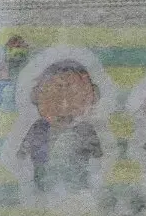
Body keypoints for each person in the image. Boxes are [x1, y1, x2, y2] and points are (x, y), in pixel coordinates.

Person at [17, 61, 103, 192]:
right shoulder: (39, 128)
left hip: (78, 187)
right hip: (44, 186)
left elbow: (97, 157)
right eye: (55, 99)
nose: (64, 106)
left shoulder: (85, 129)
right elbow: (22, 154)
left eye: (74, 98)